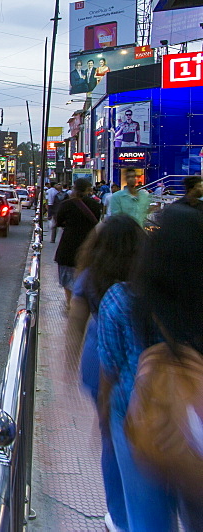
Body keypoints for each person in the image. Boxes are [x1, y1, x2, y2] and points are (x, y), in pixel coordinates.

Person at [98, 205, 203, 530]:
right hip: (196, 426)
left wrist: (104, 422)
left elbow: (109, 373)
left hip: (137, 418)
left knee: (148, 522)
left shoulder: (120, 301)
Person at [65, 215, 145, 532]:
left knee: (110, 438)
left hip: (98, 359)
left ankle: (119, 516)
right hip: (139, 363)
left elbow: (75, 322)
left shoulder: (91, 274)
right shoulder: (146, 276)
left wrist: (69, 361)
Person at [54, 178, 102, 305]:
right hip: (88, 245)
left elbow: (58, 221)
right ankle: (81, 302)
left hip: (68, 246)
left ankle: (70, 303)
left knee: (67, 278)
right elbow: (97, 220)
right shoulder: (95, 205)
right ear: (88, 189)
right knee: (85, 276)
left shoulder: (67, 204)